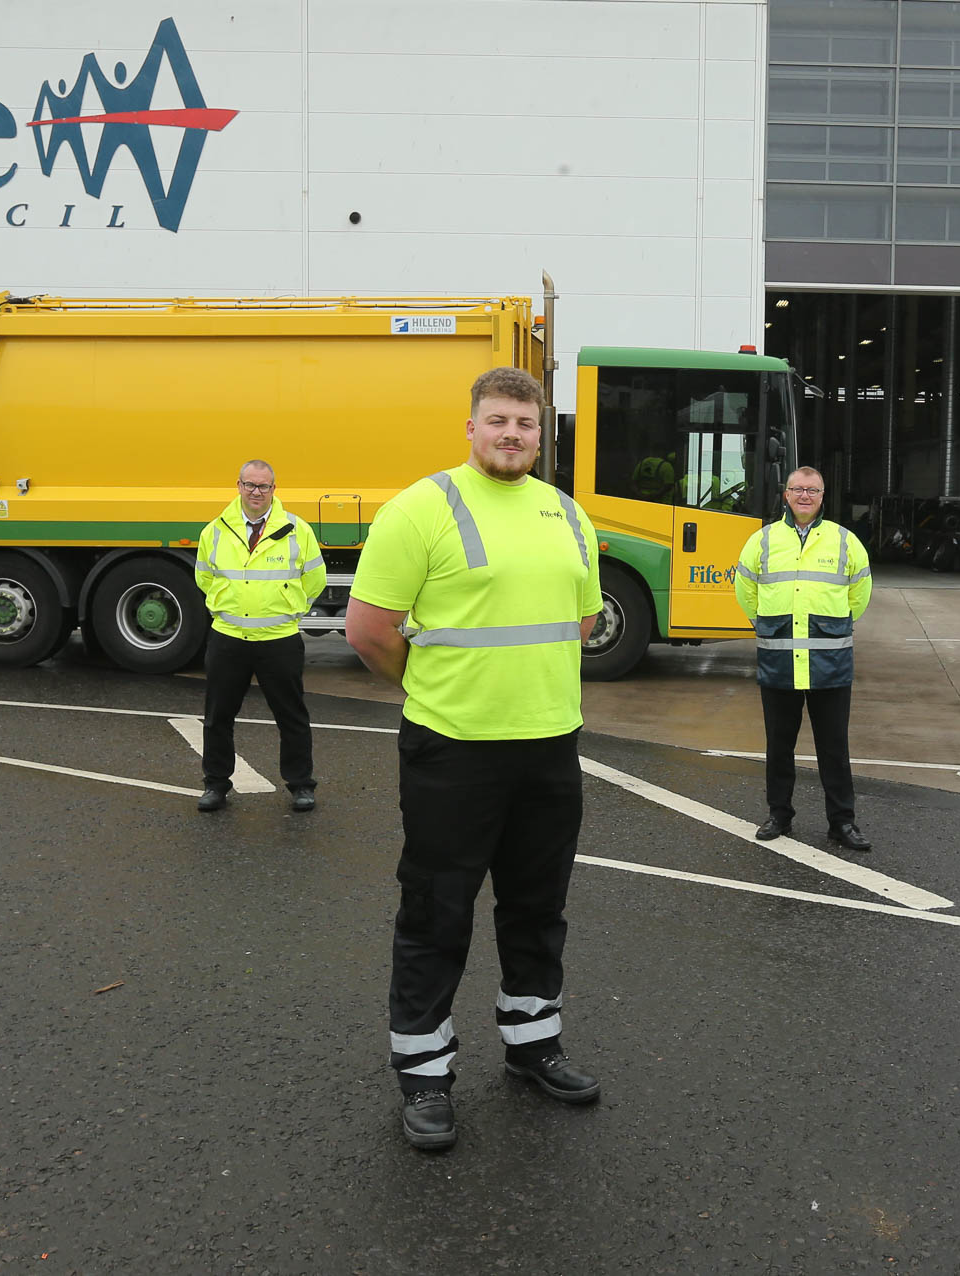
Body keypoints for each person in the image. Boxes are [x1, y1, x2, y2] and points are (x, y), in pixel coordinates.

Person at [345, 366, 603, 1152]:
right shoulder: (421, 509)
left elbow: (584, 622)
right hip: (453, 751)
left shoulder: (567, 513)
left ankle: (532, 1047)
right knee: (437, 913)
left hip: (550, 748)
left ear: (539, 432)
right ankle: (425, 1076)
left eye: (525, 424)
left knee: (536, 908)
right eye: (497, 420)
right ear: (470, 426)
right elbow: (368, 630)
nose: (512, 435)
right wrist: (438, 693)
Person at [735, 466, 873, 852]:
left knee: (834, 748)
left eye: (812, 490)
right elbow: (745, 587)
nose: (805, 496)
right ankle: (779, 815)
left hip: (830, 666)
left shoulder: (845, 541)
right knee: (779, 746)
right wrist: (764, 623)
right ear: (786, 494)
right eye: (797, 489)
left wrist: (837, 625)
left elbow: (859, 593)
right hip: (779, 662)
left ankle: (841, 822)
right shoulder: (762, 541)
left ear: (823, 495)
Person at [194, 459, 327, 814]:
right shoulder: (215, 531)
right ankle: (215, 784)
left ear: (274, 489)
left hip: (279, 638)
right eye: (250, 485)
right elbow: (204, 578)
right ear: (237, 486)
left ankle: (301, 785)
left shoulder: (298, 530)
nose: (256, 492)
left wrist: (289, 609)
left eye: (263, 486)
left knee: (292, 716)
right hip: (229, 638)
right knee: (218, 717)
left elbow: (314, 581)